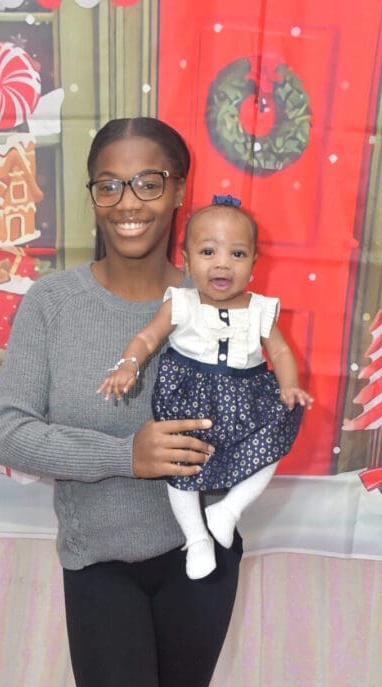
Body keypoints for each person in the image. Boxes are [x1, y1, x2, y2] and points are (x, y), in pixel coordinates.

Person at [0, 117, 241, 687]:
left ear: (178, 191)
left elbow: (251, 410)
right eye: (109, 183)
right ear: (92, 192)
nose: (128, 201)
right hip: (99, 555)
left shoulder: (211, 298)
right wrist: (124, 455)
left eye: (148, 181)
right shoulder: (54, 304)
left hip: (199, 553)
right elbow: (11, 433)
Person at [98, 198, 312, 579]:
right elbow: (148, 338)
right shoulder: (181, 303)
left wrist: (289, 386)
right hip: (190, 398)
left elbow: (279, 350)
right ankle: (196, 538)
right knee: (181, 462)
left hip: (246, 398)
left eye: (237, 253)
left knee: (273, 442)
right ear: (185, 260)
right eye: (208, 252)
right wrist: (128, 364)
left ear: (254, 263)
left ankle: (228, 509)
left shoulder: (260, 309)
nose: (222, 263)